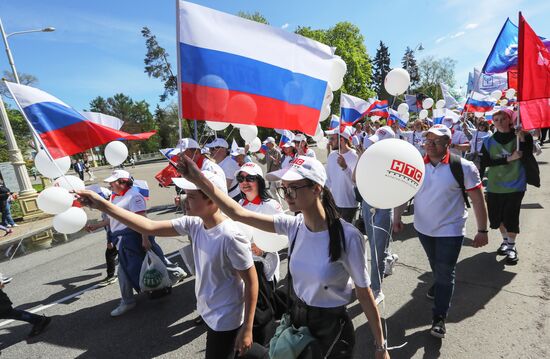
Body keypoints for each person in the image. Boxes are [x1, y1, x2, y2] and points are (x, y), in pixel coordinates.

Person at [177, 154, 390, 358]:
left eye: (293, 188)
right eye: (284, 188)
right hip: (298, 323)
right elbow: (237, 213)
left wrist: (380, 347)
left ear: (316, 189)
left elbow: (364, 294)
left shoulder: (348, 236)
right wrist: (199, 180)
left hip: (332, 330)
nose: (286, 194)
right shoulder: (293, 225)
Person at [77, 171, 259, 359]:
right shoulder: (195, 224)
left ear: (212, 200)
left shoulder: (230, 237)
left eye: (191, 196)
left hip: (227, 318)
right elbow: (148, 226)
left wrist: (247, 328)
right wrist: (102, 205)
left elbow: (252, 282)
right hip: (208, 310)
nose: (184, 201)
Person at [393, 124, 489, 339]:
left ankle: (439, 317)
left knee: (446, 272)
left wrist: (482, 229)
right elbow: (403, 193)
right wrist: (397, 217)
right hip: (423, 229)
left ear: (448, 143)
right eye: (428, 140)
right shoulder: (417, 165)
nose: (430, 144)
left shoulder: (463, 167)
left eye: (436, 140)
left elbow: (478, 199)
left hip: (451, 230)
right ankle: (439, 282)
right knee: (436, 265)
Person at [94, 170, 168, 316]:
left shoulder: (134, 197)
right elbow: (113, 219)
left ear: (122, 182)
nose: (109, 184)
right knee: (131, 269)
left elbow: (143, 220)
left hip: (133, 239)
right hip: (123, 240)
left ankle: (128, 301)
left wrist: (145, 238)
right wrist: (96, 226)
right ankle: (128, 300)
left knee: (144, 265)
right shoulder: (115, 197)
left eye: (112, 182)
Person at [236, 162, 284, 346]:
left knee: (263, 309)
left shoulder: (271, 205)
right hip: (245, 262)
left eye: (250, 178)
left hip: (264, 265)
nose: (245, 182)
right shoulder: (240, 204)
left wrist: (263, 247)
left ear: (260, 182)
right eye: (241, 178)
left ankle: (268, 344)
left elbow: (283, 235)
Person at [480, 109, 532, 265]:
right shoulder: (488, 141)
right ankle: (505, 241)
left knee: (511, 216)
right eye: (496, 119)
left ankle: (511, 247)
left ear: (510, 120)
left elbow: (528, 155)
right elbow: (486, 163)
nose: (499, 122)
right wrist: (509, 159)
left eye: (503, 118)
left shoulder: (521, 136)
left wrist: (522, 140)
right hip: (495, 185)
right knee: (497, 218)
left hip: (516, 185)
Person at [358, 126, 397, 305]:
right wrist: (361, 158)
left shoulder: (395, 163)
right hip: (367, 205)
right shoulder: (369, 158)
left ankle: (376, 289)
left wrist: (397, 217)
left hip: (383, 207)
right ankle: (389, 258)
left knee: (376, 250)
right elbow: (354, 178)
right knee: (375, 244)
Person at [325, 126, 359, 223]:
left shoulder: (355, 156)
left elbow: (356, 183)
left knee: (345, 235)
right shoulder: (331, 156)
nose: (329, 142)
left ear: (342, 139)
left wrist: (345, 167)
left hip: (349, 205)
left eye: (332, 138)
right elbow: (328, 180)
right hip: (334, 203)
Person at [255, 137, 282, 202]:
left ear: (271, 143)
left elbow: (277, 163)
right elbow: (263, 162)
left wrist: (275, 160)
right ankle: (279, 204)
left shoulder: (277, 151)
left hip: (276, 174)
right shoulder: (267, 151)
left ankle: (279, 204)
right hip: (270, 174)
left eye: (267, 143)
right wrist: (257, 157)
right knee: (273, 190)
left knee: (274, 190)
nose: (266, 144)